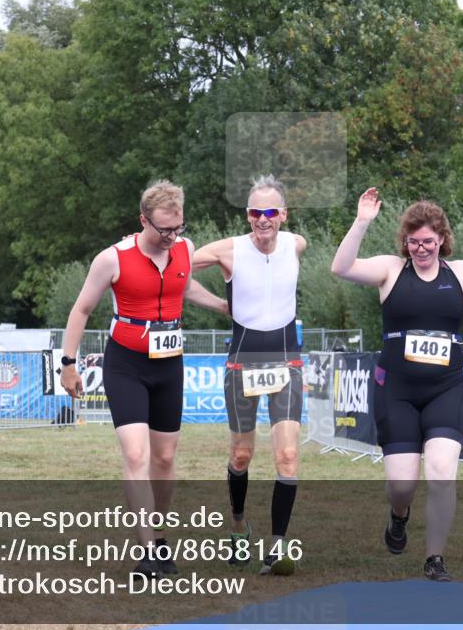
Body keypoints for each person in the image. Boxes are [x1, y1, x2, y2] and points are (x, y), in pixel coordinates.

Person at [331, 187, 463, 581]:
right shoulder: (390, 269)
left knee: (441, 471)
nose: (420, 249)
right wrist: (362, 221)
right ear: (405, 241)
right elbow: (341, 267)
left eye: (428, 242)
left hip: (446, 388)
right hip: (397, 391)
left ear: (442, 240)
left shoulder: (461, 273)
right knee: (402, 485)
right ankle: (398, 515)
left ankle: (434, 558)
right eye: (414, 242)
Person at [60, 180, 228, 578]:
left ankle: (160, 533)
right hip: (126, 363)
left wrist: (223, 305)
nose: (172, 237)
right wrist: (68, 363)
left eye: (179, 228)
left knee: (165, 459)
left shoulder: (184, 250)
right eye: (164, 230)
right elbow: (82, 309)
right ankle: (148, 547)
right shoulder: (112, 258)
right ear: (143, 220)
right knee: (136, 455)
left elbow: (184, 286)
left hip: (169, 363)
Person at [192, 175, 307, 576]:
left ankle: (277, 546)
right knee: (241, 455)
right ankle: (239, 528)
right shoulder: (228, 250)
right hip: (243, 359)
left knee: (288, 455)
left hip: (286, 358)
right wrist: (219, 305)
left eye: (270, 212)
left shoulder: (296, 244)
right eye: (256, 212)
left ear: (283, 214)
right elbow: (174, 267)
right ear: (248, 215)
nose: (263, 219)